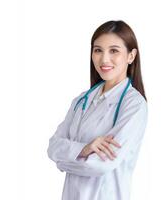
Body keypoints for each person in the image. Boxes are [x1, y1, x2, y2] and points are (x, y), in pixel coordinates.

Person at [47, 20, 148, 200]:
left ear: (131, 56)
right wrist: (85, 149)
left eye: (114, 51)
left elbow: (99, 166)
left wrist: (64, 161)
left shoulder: (134, 105)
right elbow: (53, 147)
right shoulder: (81, 100)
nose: (104, 59)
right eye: (98, 50)